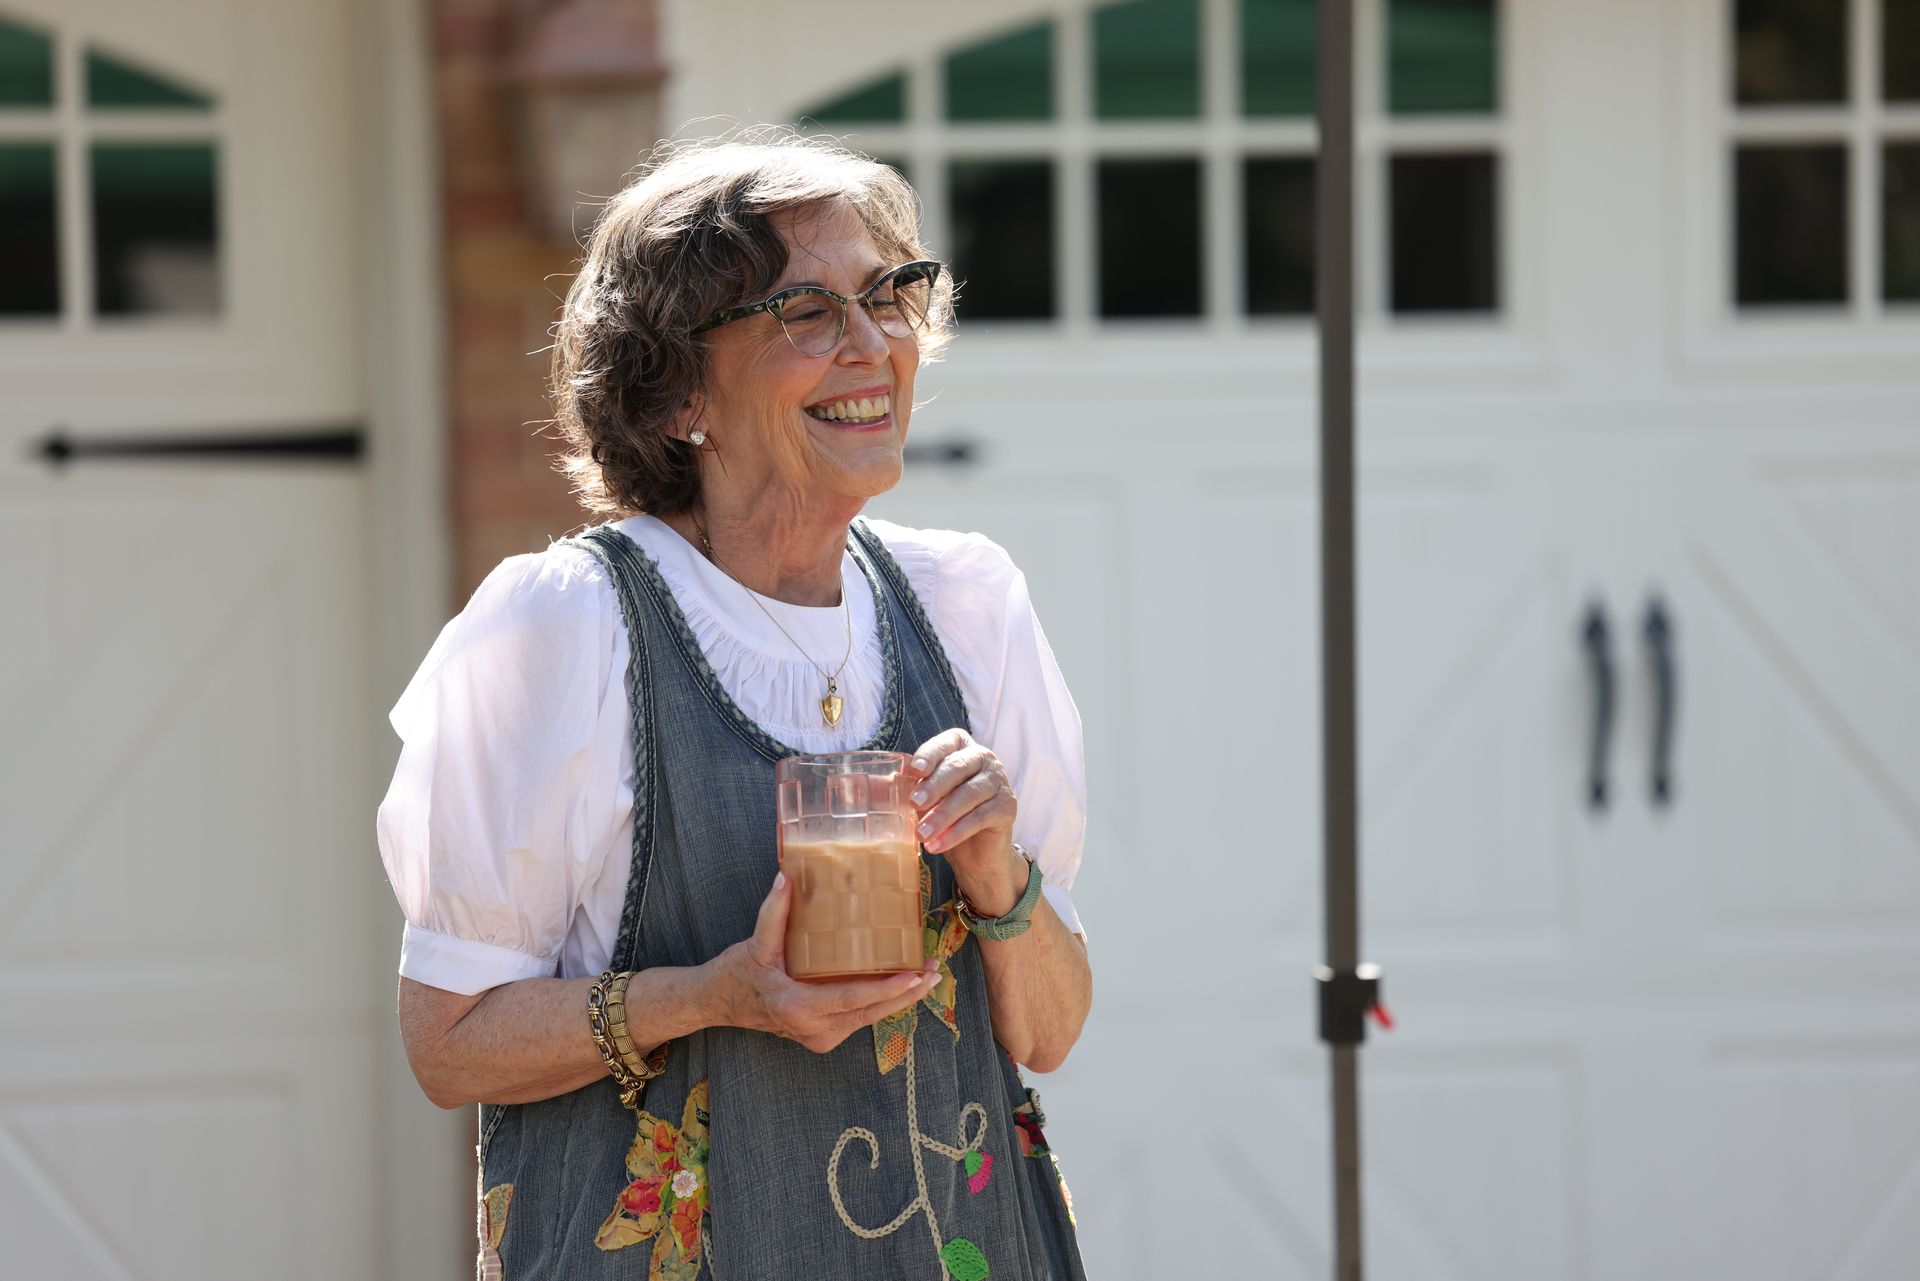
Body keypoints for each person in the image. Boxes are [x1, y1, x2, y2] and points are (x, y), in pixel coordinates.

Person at [377, 134, 1093, 1280]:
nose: (872, 347)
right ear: (677, 393)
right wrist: (713, 997)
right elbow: (449, 1046)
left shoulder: (966, 603)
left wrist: (1003, 872)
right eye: (807, 310)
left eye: (887, 296)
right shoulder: (564, 628)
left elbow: (1048, 1032)